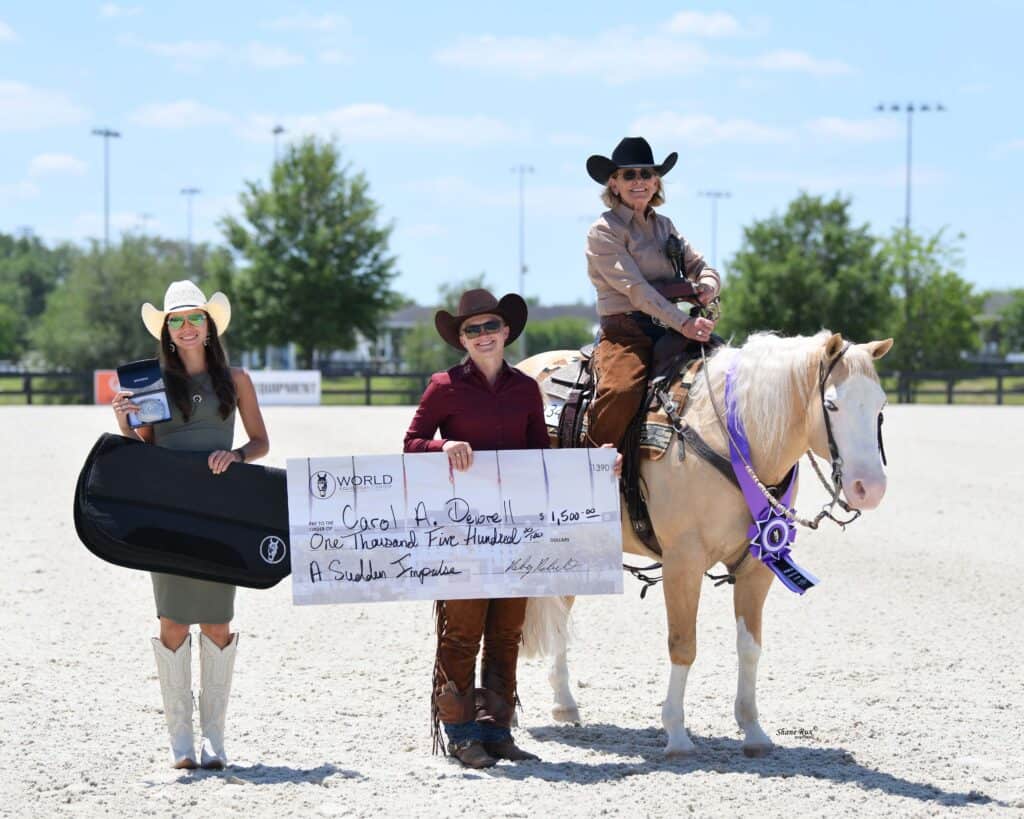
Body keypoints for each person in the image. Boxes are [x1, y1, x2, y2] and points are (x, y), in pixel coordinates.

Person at [110, 280, 269, 770]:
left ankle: (215, 740)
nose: (185, 328)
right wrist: (124, 422)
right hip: (169, 509)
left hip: (221, 511)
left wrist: (236, 454)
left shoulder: (236, 378)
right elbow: (146, 447)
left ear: (208, 325)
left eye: (193, 318)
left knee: (219, 622)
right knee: (173, 621)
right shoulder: (153, 380)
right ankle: (180, 740)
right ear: (167, 331)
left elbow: (260, 442)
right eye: (176, 321)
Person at [403, 288, 547, 769]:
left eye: (490, 327)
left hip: (514, 528)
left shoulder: (527, 389)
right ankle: (461, 732)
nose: (483, 336)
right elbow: (411, 443)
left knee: (508, 632)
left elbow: (543, 457)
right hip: (460, 529)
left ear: (506, 332)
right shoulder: (444, 387)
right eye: (473, 330)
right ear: (461, 339)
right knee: (462, 631)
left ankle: (497, 729)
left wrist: (593, 470)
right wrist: (439, 449)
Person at [585, 136, 721, 451]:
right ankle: (593, 465)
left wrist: (708, 287)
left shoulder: (665, 226)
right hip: (626, 332)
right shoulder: (603, 231)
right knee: (621, 392)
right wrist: (685, 324)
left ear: (656, 181)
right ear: (614, 183)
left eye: (646, 174)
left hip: (671, 327)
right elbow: (637, 291)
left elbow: (701, 266)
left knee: (730, 374)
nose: (639, 181)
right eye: (629, 175)